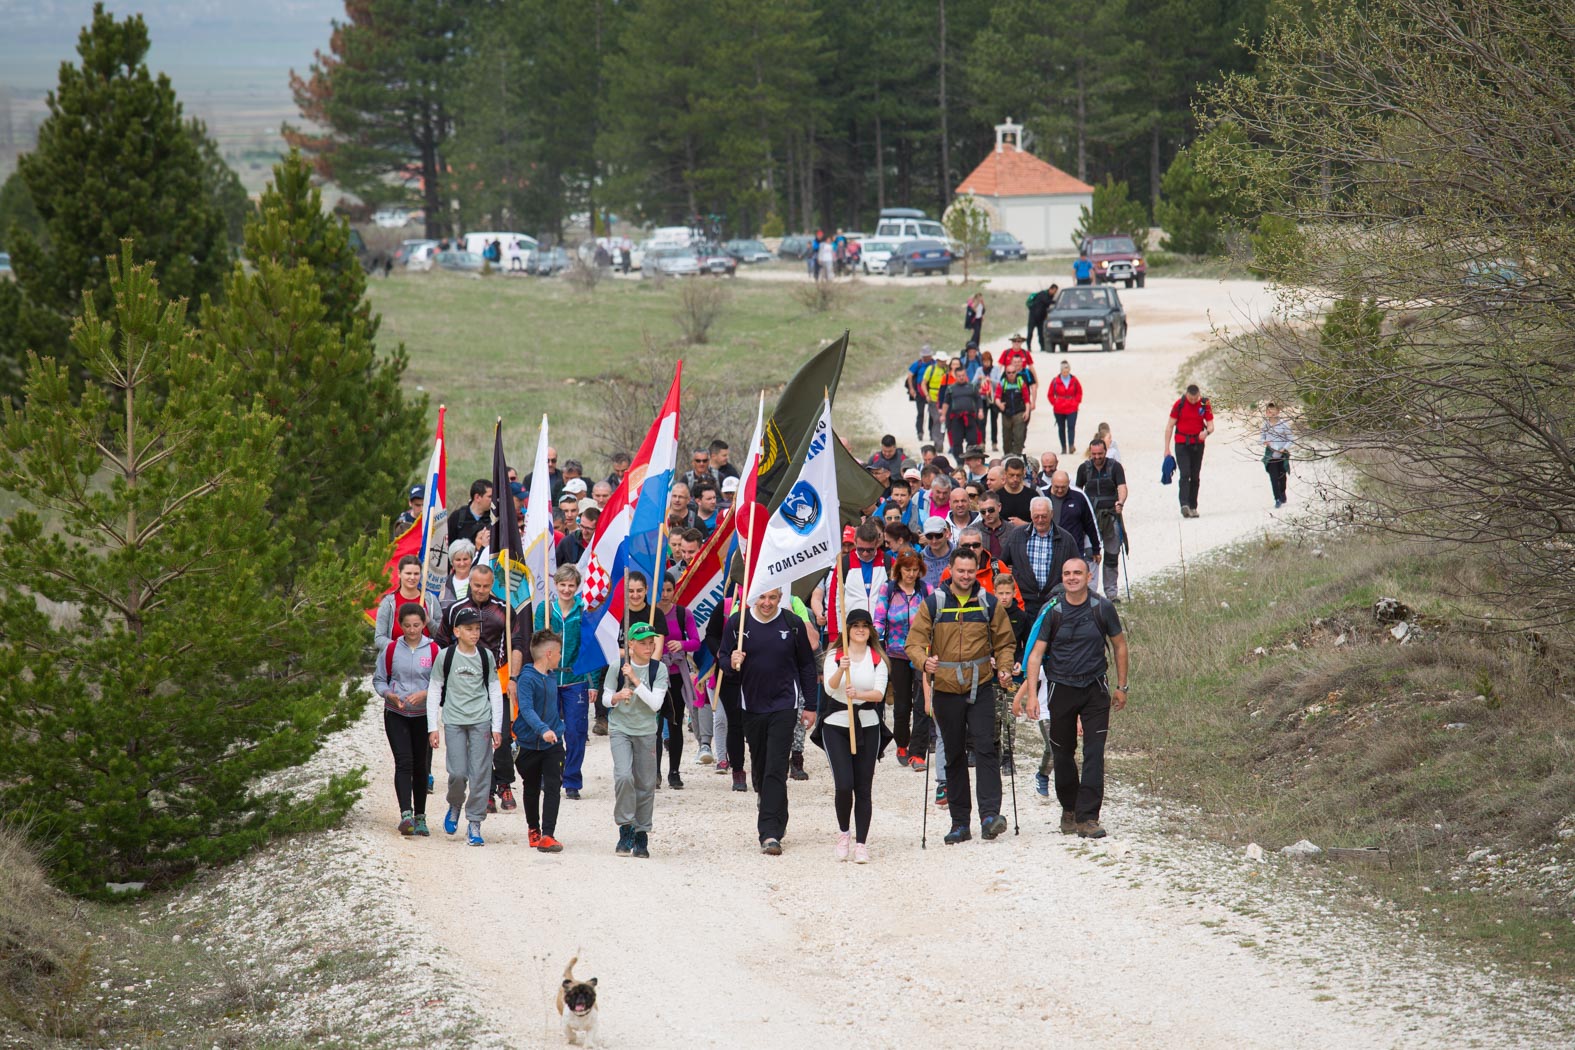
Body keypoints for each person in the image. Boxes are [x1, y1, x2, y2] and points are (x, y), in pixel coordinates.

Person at [904, 547, 1018, 844]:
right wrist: (923, 661)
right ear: (950, 571)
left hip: (980, 687)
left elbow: (1005, 641)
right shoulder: (934, 603)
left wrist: (1004, 668)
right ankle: (960, 823)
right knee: (953, 754)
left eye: (970, 571)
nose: (966, 576)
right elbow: (913, 643)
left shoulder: (989, 603)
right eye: (960, 571)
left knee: (986, 749)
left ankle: (990, 816)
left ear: (975, 571)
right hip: (945, 689)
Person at [1015, 558, 1128, 838]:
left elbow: (1119, 646)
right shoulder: (1052, 610)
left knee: (1093, 752)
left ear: (1089, 576)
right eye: (1067, 573)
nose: (1072, 577)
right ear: (1062, 578)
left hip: (1095, 689)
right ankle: (1069, 809)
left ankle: (1088, 817)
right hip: (1060, 689)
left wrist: (1122, 686)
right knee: (1063, 754)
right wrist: (1031, 695)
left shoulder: (1102, 607)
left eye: (1077, 572)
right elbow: (1036, 655)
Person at [720, 587, 818, 856]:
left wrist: (811, 705)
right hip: (751, 706)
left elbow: (807, 666)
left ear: (780, 598)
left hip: (785, 704)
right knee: (762, 768)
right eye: (762, 597)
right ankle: (772, 807)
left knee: (776, 766)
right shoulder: (738, 622)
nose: (767, 603)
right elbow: (723, 658)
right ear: (753, 598)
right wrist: (732, 661)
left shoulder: (792, 623)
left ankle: (770, 833)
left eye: (773, 597)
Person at [436, 563, 520, 813]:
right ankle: (486, 789)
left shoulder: (504, 609)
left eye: (486, 586)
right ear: (469, 583)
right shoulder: (454, 610)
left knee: (502, 736)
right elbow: (441, 643)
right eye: (476, 585)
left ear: (492, 584)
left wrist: (514, 676)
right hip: (463, 684)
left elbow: (518, 643)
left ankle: (505, 783)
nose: (481, 590)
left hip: (498, 680)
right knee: (477, 742)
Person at [817, 609, 890, 863]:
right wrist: (841, 669)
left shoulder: (878, 658)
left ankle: (861, 843)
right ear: (847, 630)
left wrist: (857, 695)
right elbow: (829, 687)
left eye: (864, 625)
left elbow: (879, 693)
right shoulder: (835, 656)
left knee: (863, 787)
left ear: (870, 630)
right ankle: (844, 833)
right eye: (855, 625)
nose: (860, 629)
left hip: (868, 725)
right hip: (836, 725)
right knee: (844, 784)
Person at [427, 606, 504, 847]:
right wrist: (433, 726)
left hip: (481, 720)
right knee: (458, 773)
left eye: (477, 629)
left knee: (481, 774)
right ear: (457, 631)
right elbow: (434, 690)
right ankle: (455, 804)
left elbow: (494, 689)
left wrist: (497, 726)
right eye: (469, 629)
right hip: (454, 721)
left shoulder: (485, 656)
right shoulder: (446, 656)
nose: (474, 633)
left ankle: (474, 822)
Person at [528, 564, 598, 801]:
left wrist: (593, 682)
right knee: (545, 729)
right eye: (562, 584)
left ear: (577, 587)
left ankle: (571, 780)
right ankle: (544, 776)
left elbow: (590, 648)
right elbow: (536, 641)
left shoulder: (584, 612)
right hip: (548, 677)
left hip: (574, 679)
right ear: (555, 585)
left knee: (576, 731)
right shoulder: (544, 609)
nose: (566, 589)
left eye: (571, 585)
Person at [605, 621, 668, 859]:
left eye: (651, 642)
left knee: (645, 783)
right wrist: (617, 697)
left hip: (646, 731)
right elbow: (605, 697)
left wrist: (637, 680)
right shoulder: (616, 666)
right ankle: (625, 827)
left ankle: (642, 834)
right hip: (620, 728)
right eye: (643, 643)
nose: (649, 647)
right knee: (623, 776)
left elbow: (655, 705)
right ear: (630, 644)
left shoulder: (658, 669)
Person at [373, 602, 437, 836]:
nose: (412, 630)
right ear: (400, 626)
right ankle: (406, 815)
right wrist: (389, 694)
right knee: (404, 762)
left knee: (421, 765)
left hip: (423, 715)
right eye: (407, 625)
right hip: (396, 713)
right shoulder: (390, 650)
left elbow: (441, 683)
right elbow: (379, 679)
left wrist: (426, 694)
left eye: (417, 625)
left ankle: (421, 816)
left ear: (424, 625)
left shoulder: (433, 651)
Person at [874, 552, 931, 772]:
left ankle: (918, 752)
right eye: (907, 569)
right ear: (900, 570)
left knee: (922, 702)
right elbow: (879, 618)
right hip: (896, 652)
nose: (911, 574)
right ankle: (902, 743)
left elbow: (933, 618)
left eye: (915, 570)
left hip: (921, 652)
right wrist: (875, 639)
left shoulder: (926, 590)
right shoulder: (888, 590)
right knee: (902, 702)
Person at [513, 630, 566, 853]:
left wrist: (557, 729)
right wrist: (542, 729)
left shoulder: (552, 675)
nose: (560, 657)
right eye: (559, 653)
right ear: (549, 653)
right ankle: (533, 829)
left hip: (553, 744)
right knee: (531, 786)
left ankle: (548, 834)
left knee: (553, 786)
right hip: (528, 744)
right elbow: (525, 708)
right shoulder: (526, 678)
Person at [655, 572, 703, 786]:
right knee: (653, 727)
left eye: (669, 590)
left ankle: (674, 772)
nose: (665, 595)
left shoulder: (684, 613)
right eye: (661, 590)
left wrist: (681, 645)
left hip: (675, 675)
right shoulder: (649, 614)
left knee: (675, 724)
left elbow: (696, 641)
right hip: (654, 675)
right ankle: (654, 772)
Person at [1001, 497, 1080, 626]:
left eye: (1044, 516)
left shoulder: (1066, 538)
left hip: (1055, 601)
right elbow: (1002, 564)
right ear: (1031, 515)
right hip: (1025, 602)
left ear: (1052, 514)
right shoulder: (1016, 535)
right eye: (1036, 516)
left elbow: (1077, 567)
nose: (1040, 520)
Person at [1076, 439, 1128, 600]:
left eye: (1100, 454)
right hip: (1091, 518)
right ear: (1090, 453)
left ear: (1106, 452)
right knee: (1091, 553)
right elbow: (1078, 492)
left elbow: (1122, 488)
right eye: (1094, 454)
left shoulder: (1115, 467)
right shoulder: (1084, 468)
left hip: (1111, 515)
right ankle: (1090, 592)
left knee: (1112, 555)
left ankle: (1111, 593)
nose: (1097, 457)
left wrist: (1120, 502)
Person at [1165, 383, 1215, 518]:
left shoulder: (1204, 404)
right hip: (1182, 444)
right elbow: (1170, 426)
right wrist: (1166, 449)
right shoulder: (1179, 404)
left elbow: (1211, 425)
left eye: (1195, 399)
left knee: (1195, 475)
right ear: (1187, 394)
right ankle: (1184, 505)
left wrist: (1206, 433)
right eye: (1190, 398)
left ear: (1199, 395)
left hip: (1198, 444)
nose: (1193, 401)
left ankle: (1193, 507)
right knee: (1185, 473)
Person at [1047, 471, 1102, 570]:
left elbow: (1089, 524)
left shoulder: (1078, 497)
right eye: (1056, 487)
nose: (1059, 490)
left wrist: (1096, 549)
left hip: (1073, 549)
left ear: (1069, 483)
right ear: (1051, 482)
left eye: (1063, 487)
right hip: (1048, 549)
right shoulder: (1042, 495)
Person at [373, 555, 426, 651]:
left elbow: (440, 634)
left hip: (424, 661)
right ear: (399, 574)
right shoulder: (388, 603)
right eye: (408, 573)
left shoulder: (430, 601)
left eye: (416, 573)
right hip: (394, 660)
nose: (412, 577)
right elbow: (379, 638)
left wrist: (429, 622)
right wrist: (401, 649)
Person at [907, 345, 946, 444]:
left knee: (932, 414)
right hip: (919, 392)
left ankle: (931, 432)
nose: (926, 357)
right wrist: (911, 389)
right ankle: (920, 432)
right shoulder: (918, 364)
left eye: (927, 355)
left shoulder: (934, 364)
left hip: (931, 392)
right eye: (924, 356)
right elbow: (910, 376)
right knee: (920, 413)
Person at [1048, 360, 1083, 455]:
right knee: (1061, 428)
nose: (1065, 372)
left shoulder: (1074, 380)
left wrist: (1076, 402)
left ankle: (1071, 445)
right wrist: (1055, 403)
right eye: (1063, 370)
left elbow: (1079, 392)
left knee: (1071, 426)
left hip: (1072, 407)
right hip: (1059, 408)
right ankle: (1063, 447)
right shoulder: (1055, 381)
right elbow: (1050, 394)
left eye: (1067, 370)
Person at [1261, 402, 1293, 508]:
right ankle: (1277, 498)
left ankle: (1282, 492)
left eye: (1273, 409)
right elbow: (1261, 438)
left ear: (1278, 411)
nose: (1270, 412)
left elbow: (1290, 439)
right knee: (1273, 478)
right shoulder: (1265, 425)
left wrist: (1284, 449)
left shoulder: (1284, 424)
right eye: (1268, 410)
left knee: (1282, 477)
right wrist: (1265, 442)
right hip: (1271, 456)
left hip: (1282, 455)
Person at [446, 479, 494, 546]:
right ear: (477, 497)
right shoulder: (457, 517)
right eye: (490, 497)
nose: (493, 500)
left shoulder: (494, 518)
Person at [439, 539, 476, 621]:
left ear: (472, 560)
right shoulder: (443, 583)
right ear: (452, 561)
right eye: (458, 560)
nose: (462, 563)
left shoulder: (479, 582)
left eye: (465, 559)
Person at [995, 456, 1037, 526]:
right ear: (1005, 474)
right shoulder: (997, 496)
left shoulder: (1032, 495)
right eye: (1011, 475)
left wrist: (1024, 524)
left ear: (1023, 473)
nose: (1015, 479)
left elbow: (1040, 523)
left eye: (1018, 475)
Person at [918, 516, 954, 588]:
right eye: (929, 536)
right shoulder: (919, 559)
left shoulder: (960, 554)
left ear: (946, 532)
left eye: (938, 535)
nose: (934, 541)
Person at [1025, 284, 1058, 353]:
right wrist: (1057, 302)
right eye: (1054, 291)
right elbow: (1046, 302)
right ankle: (1028, 347)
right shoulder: (1043, 294)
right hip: (1033, 316)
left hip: (1041, 318)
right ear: (1050, 289)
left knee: (1041, 333)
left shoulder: (1050, 296)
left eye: (1055, 292)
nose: (1054, 293)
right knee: (1030, 333)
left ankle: (1042, 347)